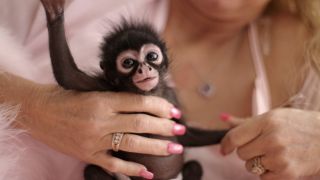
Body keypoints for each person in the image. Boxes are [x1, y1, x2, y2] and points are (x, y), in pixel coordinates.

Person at [1, 0, 320, 180]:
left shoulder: (308, 48)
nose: (142, 70)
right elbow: (68, 75)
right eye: (131, 64)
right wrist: (36, 106)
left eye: (150, 60)